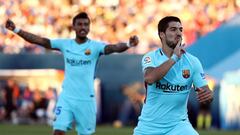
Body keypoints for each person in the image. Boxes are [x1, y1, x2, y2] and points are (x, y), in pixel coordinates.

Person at [5, 12, 139, 135]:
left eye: (86, 24)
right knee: (58, 131)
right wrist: (16, 30)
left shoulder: (95, 46)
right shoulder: (65, 44)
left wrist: (128, 44)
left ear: (89, 28)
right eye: (80, 24)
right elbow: (40, 41)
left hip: (86, 99)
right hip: (67, 97)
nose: (83, 27)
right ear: (73, 27)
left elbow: (113, 48)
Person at [133, 16, 213, 135]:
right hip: (149, 127)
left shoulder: (193, 62)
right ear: (162, 34)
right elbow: (150, 78)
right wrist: (174, 58)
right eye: (173, 29)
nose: (179, 33)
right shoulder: (151, 57)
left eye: (180, 29)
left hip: (178, 126)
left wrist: (208, 95)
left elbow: (206, 92)